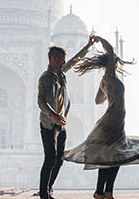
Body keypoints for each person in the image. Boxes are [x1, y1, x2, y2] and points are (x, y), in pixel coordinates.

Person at [63, 35, 139, 199]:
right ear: (110, 63)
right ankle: (104, 192)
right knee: (113, 155)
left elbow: (97, 100)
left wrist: (107, 90)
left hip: (114, 119)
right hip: (114, 119)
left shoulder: (105, 80)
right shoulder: (110, 76)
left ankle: (103, 192)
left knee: (110, 156)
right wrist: (101, 40)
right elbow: (111, 50)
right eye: (113, 62)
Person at [37, 35, 97, 199]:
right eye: (61, 60)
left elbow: (73, 61)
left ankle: (48, 189)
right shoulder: (46, 78)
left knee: (59, 159)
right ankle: (44, 194)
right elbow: (40, 101)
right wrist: (53, 114)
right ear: (53, 58)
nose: (64, 63)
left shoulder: (61, 74)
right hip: (48, 124)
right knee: (50, 158)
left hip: (61, 124)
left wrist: (87, 47)